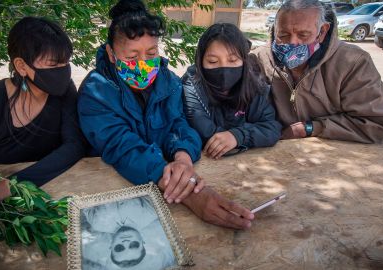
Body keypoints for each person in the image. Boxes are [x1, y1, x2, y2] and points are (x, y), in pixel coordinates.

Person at [78, 0, 254, 229]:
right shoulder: (95, 91)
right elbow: (121, 145)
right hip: (115, 192)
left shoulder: (169, 81)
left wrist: (183, 157)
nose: (143, 64)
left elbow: (179, 125)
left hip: (166, 179)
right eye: (132, 57)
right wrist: (189, 193)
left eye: (151, 53)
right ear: (111, 53)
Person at [0, 17, 86, 217]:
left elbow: (75, 146)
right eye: (53, 64)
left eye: (65, 62)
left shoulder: (65, 91)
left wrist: (11, 185)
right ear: (22, 66)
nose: (63, 71)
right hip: (7, 207)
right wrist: (1, 190)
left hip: (58, 195)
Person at [253, 0, 383, 143]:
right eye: (283, 35)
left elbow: (377, 123)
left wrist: (312, 128)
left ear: (322, 32)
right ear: (275, 29)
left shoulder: (353, 62)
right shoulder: (258, 59)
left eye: (303, 35)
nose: (292, 43)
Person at [182, 23, 281, 159]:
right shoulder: (191, 86)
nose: (224, 69)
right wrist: (250, 135)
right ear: (200, 61)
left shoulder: (253, 84)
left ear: (244, 61)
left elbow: (272, 128)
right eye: (212, 61)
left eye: (233, 60)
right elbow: (207, 134)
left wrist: (238, 136)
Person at [81, 197, 175, 269]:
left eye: (119, 248)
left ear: (111, 246)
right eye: (133, 245)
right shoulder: (151, 213)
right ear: (143, 242)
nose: (126, 242)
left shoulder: (97, 224)